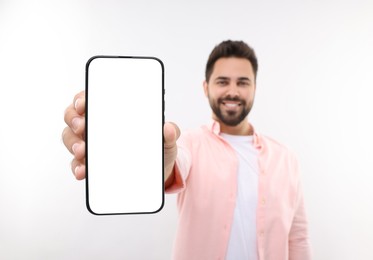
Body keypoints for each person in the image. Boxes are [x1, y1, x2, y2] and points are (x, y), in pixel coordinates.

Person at [62, 40, 312, 260]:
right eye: (222, 81)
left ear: (255, 88)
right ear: (206, 87)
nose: (233, 91)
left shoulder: (286, 157)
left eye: (243, 82)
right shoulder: (190, 143)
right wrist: (153, 161)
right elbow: (172, 166)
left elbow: (298, 236)